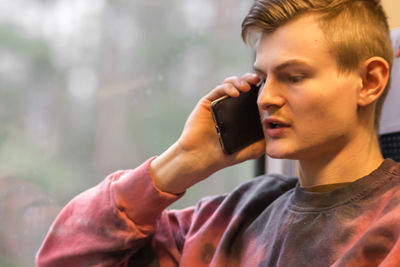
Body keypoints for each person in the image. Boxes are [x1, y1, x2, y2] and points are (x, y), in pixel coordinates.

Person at [36, 0, 400, 266]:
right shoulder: (228, 219)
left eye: (293, 77)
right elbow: (63, 258)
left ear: (369, 81)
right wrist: (184, 160)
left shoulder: (390, 227)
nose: (266, 98)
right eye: (262, 78)